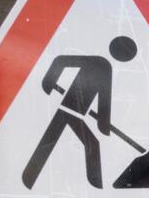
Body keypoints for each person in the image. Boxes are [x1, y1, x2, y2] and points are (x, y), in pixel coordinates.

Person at [21, 35, 136, 189]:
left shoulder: (104, 67)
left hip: (76, 115)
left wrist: (103, 124)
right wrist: (49, 82)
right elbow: (61, 61)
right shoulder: (100, 64)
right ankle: (29, 176)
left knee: (74, 141)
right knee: (63, 140)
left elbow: (104, 101)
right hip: (67, 110)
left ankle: (30, 176)